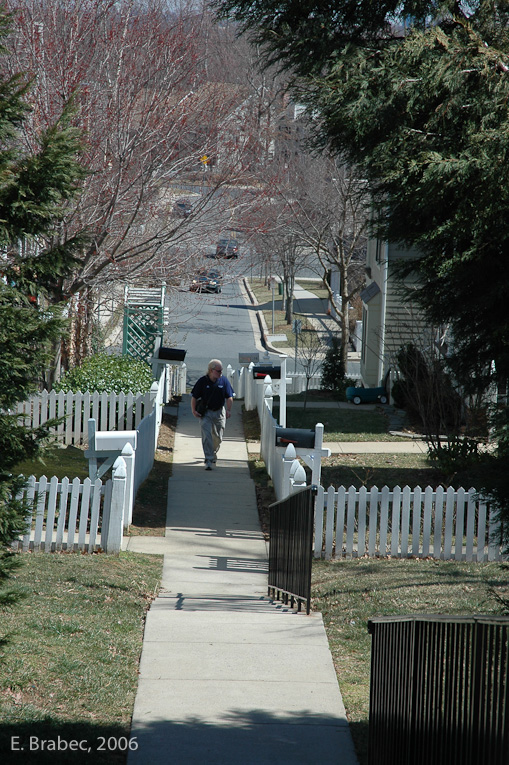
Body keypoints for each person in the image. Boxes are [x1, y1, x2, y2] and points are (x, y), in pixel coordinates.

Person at [191, 359, 234, 470]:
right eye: (218, 371)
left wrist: (228, 410)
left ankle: (213, 452)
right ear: (211, 370)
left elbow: (229, 396)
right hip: (206, 413)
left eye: (221, 371)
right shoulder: (202, 381)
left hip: (219, 411)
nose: (220, 373)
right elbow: (194, 397)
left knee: (218, 437)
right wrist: (193, 410)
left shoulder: (223, 381)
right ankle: (208, 459)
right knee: (207, 436)